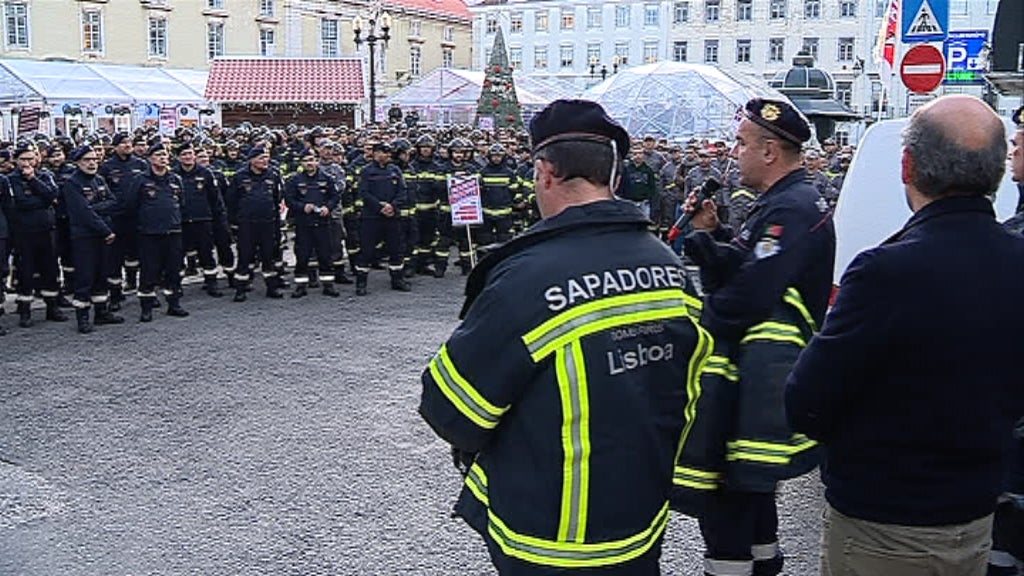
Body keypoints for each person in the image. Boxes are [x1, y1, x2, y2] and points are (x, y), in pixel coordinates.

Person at [419, 99, 711, 576]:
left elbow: (451, 408)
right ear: (614, 178)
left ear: (545, 171)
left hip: (550, 534)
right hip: (640, 518)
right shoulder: (667, 266)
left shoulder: (529, 278)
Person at [784, 94, 1024, 576]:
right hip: (976, 509)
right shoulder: (1015, 258)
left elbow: (806, 400)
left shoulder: (887, 271)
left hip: (885, 521)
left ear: (908, 166)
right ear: (998, 172)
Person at [675, 98, 835, 576]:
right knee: (752, 493)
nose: (734, 153)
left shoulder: (794, 206)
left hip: (754, 380)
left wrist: (698, 326)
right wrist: (710, 234)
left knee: (729, 497)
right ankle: (764, 565)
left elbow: (751, 295)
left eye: (742, 144)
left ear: (769, 151)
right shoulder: (780, 202)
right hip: (753, 377)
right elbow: (750, 264)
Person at [120, 142, 189, 322]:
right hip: (149, 234)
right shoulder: (141, 180)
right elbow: (130, 206)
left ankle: (174, 304)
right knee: (149, 272)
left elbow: (181, 204)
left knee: (173, 271)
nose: (163, 158)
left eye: (165, 155)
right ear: (150, 159)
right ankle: (146, 307)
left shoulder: (175, 179)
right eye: (158, 155)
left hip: (173, 232)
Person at [60, 145, 123, 333]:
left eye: (94, 159)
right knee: (85, 277)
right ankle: (82, 316)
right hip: (85, 237)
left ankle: (102, 312)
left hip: (102, 236)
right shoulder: (72, 183)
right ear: (78, 162)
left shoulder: (100, 180)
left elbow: (113, 202)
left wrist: (94, 208)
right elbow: (82, 214)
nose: (91, 163)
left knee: (101, 275)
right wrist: (105, 229)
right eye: (87, 160)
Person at [7, 143, 67, 328]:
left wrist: (33, 180)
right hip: (24, 233)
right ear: (16, 161)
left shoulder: (44, 176)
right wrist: (41, 200)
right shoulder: (10, 179)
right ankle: (25, 310)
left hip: (47, 231)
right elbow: (21, 202)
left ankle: (52, 307)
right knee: (26, 272)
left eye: (30, 158)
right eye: (23, 159)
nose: (27, 163)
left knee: (50, 269)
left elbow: (52, 195)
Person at [226, 145, 286, 302]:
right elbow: (231, 202)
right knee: (245, 257)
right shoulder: (240, 177)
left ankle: (272, 287)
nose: (265, 161)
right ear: (252, 160)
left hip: (267, 223)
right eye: (261, 158)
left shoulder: (272, 175)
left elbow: (276, 198)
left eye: (266, 157)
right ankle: (241, 289)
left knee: (269, 256)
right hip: (247, 224)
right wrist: (234, 223)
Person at [354, 142, 410, 295]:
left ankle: (397, 279)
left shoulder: (395, 170)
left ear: (389, 155)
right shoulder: (366, 171)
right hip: (371, 217)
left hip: (392, 217)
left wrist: (392, 206)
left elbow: (402, 191)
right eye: (378, 152)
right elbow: (364, 193)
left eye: (384, 152)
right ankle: (361, 283)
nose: (381, 155)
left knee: (396, 249)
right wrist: (380, 207)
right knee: (366, 250)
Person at [284, 148, 341, 298]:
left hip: (322, 223)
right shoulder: (295, 180)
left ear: (317, 161)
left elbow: (335, 197)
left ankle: (328, 285)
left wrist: (327, 208)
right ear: (302, 163)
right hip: (304, 224)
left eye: (312, 160)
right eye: (306, 160)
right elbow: (289, 200)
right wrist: (302, 207)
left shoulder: (327, 178)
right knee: (302, 256)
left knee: (325, 255)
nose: (310, 163)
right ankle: (301, 286)